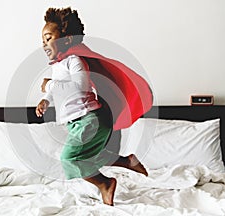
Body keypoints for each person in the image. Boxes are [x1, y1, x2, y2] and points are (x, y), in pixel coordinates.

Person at [36, 7, 153, 206]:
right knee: (90, 155)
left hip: (90, 119)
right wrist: (46, 98)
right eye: (42, 39)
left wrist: (50, 84)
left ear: (67, 40)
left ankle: (105, 184)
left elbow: (78, 87)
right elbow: (59, 90)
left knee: (69, 158)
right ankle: (126, 161)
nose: (44, 43)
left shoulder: (75, 61)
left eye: (49, 37)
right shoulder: (58, 66)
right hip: (78, 122)